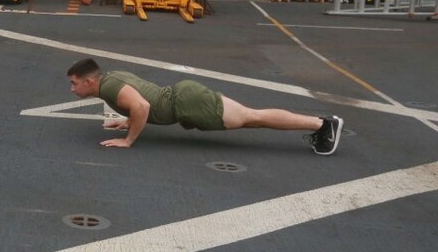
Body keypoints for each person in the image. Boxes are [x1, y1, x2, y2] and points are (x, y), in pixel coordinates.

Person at [66, 58, 344, 154]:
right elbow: (139, 98)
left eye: (75, 83)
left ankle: (322, 125)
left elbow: (142, 106)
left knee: (252, 117)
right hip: (185, 97)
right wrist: (127, 120)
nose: (72, 88)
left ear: (90, 82)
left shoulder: (111, 87)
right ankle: (321, 124)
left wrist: (129, 139)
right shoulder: (111, 79)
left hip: (188, 104)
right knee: (252, 118)